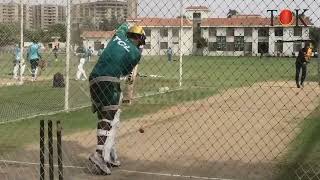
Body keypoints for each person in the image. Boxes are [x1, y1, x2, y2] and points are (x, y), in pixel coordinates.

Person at [88, 22, 146, 175]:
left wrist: (130, 25)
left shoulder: (119, 35)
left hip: (94, 78)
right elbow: (126, 72)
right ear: (140, 39)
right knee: (109, 117)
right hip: (110, 80)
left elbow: (122, 25)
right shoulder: (136, 53)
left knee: (104, 117)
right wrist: (138, 49)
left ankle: (109, 154)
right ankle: (99, 154)